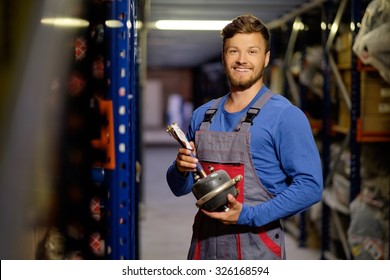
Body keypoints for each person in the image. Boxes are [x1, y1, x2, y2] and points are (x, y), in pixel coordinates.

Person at [166, 14, 323, 260]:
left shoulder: (285, 116)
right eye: (233, 51)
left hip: (256, 251)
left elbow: (310, 187)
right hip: (203, 249)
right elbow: (179, 188)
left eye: (252, 51)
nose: (242, 60)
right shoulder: (202, 116)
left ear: (266, 58)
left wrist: (249, 215)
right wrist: (180, 168)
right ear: (223, 56)